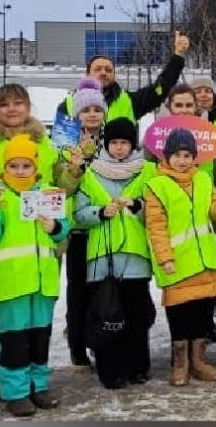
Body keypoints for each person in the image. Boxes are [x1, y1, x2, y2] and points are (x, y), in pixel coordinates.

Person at [0, 84, 74, 401]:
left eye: (19, 103)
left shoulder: (45, 141)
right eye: (5, 104)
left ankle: (36, 385)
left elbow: (59, 184)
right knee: (11, 332)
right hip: (9, 250)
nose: (12, 109)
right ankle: (7, 387)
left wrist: (74, 171)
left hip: (41, 254)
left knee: (38, 333)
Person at [0, 134, 71, 417]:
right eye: (13, 165)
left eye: (25, 166)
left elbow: (63, 231)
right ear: (5, 166)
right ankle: (15, 392)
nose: (20, 171)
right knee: (14, 341)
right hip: (11, 281)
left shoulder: (49, 193)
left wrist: (54, 225)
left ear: (35, 166)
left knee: (40, 337)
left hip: (42, 281)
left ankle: (38, 385)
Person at [72, 117, 155, 389]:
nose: (119, 148)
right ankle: (110, 372)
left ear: (133, 145)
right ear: (107, 145)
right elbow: (78, 214)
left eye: (125, 143)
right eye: (115, 143)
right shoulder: (91, 173)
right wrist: (99, 213)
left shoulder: (148, 172)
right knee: (107, 319)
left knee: (136, 317)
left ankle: (138, 368)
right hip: (102, 260)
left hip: (135, 258)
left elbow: (158, 210)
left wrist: (137, 206)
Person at [145, 129, 216, 386]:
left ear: (195, 157)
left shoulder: (204, 179)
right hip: (178, 263)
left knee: (203, 315)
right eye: (177, 155)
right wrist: (165, 258)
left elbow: (214, 212)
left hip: (205, 260)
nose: (182, 160)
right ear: (167, 157)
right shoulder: (156, 186)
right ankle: (180, 364)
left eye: (187, 155)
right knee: (180, 316)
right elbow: (156, 226)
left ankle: (199, 361)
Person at [60, 77, 107, 369]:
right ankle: (77, 346)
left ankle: (99, 341)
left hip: (103, 225)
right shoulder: (64, 144)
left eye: (96, 110)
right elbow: (61, 185)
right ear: (77, 114)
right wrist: (75, 166)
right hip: (77, 227)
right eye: (85, 110)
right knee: (77, 290)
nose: (91, 114)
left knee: (100, 290)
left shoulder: (111, 142)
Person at [56, 32, 190, 123]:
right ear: (87, 74)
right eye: (97, 69)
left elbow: (162, 87)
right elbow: (62, 147)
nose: (103, 72)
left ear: (114, 75)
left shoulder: (130, 101)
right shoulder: (68, 105)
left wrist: (178, 56)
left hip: (121, 165)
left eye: (108, 70)